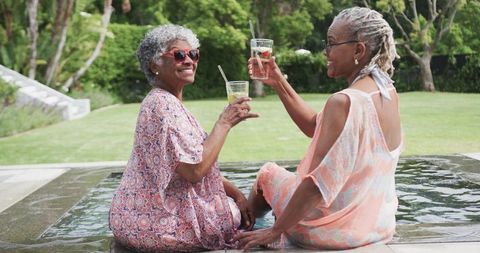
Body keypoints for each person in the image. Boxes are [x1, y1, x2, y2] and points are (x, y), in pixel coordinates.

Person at [235, 7, 403, 250]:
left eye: (332, 44)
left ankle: (246, 229)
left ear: (359, 49)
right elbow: (315, 126)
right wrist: (278, 80)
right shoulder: (387, 92)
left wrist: (274, 231)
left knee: (267, 174)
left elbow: (316, 186)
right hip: (376, 228)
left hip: (332, 231)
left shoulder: (344, 101)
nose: (326, 51)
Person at [109, 24, 257, 252]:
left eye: (193, 54)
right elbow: (195, 171)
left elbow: (186, 165)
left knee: (235, 203)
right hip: (161, 229)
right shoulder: (164, 106)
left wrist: (236, 193)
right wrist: (224, 123)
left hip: (131, 221)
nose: (189, 60)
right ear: (154, 65)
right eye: (179, 55)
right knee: (238, 213)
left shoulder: (159, 101)